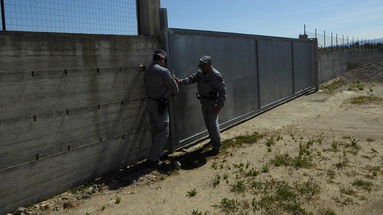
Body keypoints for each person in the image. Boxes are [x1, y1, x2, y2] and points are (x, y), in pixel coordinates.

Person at [173, 56, 226, 155]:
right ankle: (213, 139)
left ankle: (216, 146)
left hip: (212, 103)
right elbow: (191, 79)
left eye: (203, 66)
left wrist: (219, 105)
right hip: (204, 101)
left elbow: (222, 92)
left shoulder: (215, 75)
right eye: (201, 66)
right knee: (208, 123)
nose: (201, 67)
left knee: (212, 124)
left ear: (209, 65)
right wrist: (180, 82)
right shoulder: (200, 73)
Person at [144, 49, 179, 168]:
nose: (164, 63)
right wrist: (174, 92)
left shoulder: (147, 71)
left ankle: (157, 154)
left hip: (150, 103)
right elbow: (174, 86)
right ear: (161, 59)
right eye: (164, 60)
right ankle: (153, 159)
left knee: (155, 131)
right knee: (164, 131)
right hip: (160, 105)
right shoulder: (164, 71)